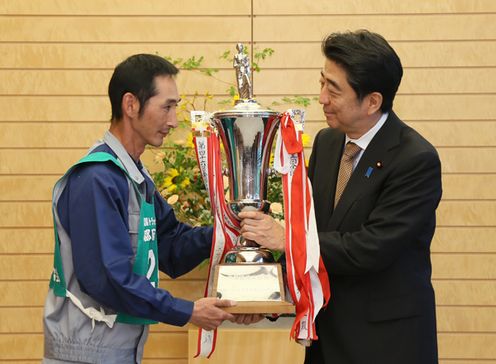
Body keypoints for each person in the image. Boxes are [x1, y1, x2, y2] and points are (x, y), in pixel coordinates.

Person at [239, 30, 441, 364]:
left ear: (372, 101)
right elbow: (314, 229)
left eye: (333, 89)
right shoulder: (328, 142)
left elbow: (371, 247)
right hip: (327, 338)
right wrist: (265, 297)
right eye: (322, 83)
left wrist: (288, 240)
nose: (321, 98)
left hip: (385, 343)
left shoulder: (414, 159)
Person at [43, 54, 258, 364]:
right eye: (167, 107)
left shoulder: (135, 177)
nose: (173, 121)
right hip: (85, 355)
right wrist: (187, 311)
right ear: (131, 105)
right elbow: (109, 278)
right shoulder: (96, 179)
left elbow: (170, 248)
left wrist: (230, 230)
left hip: (120, 352)